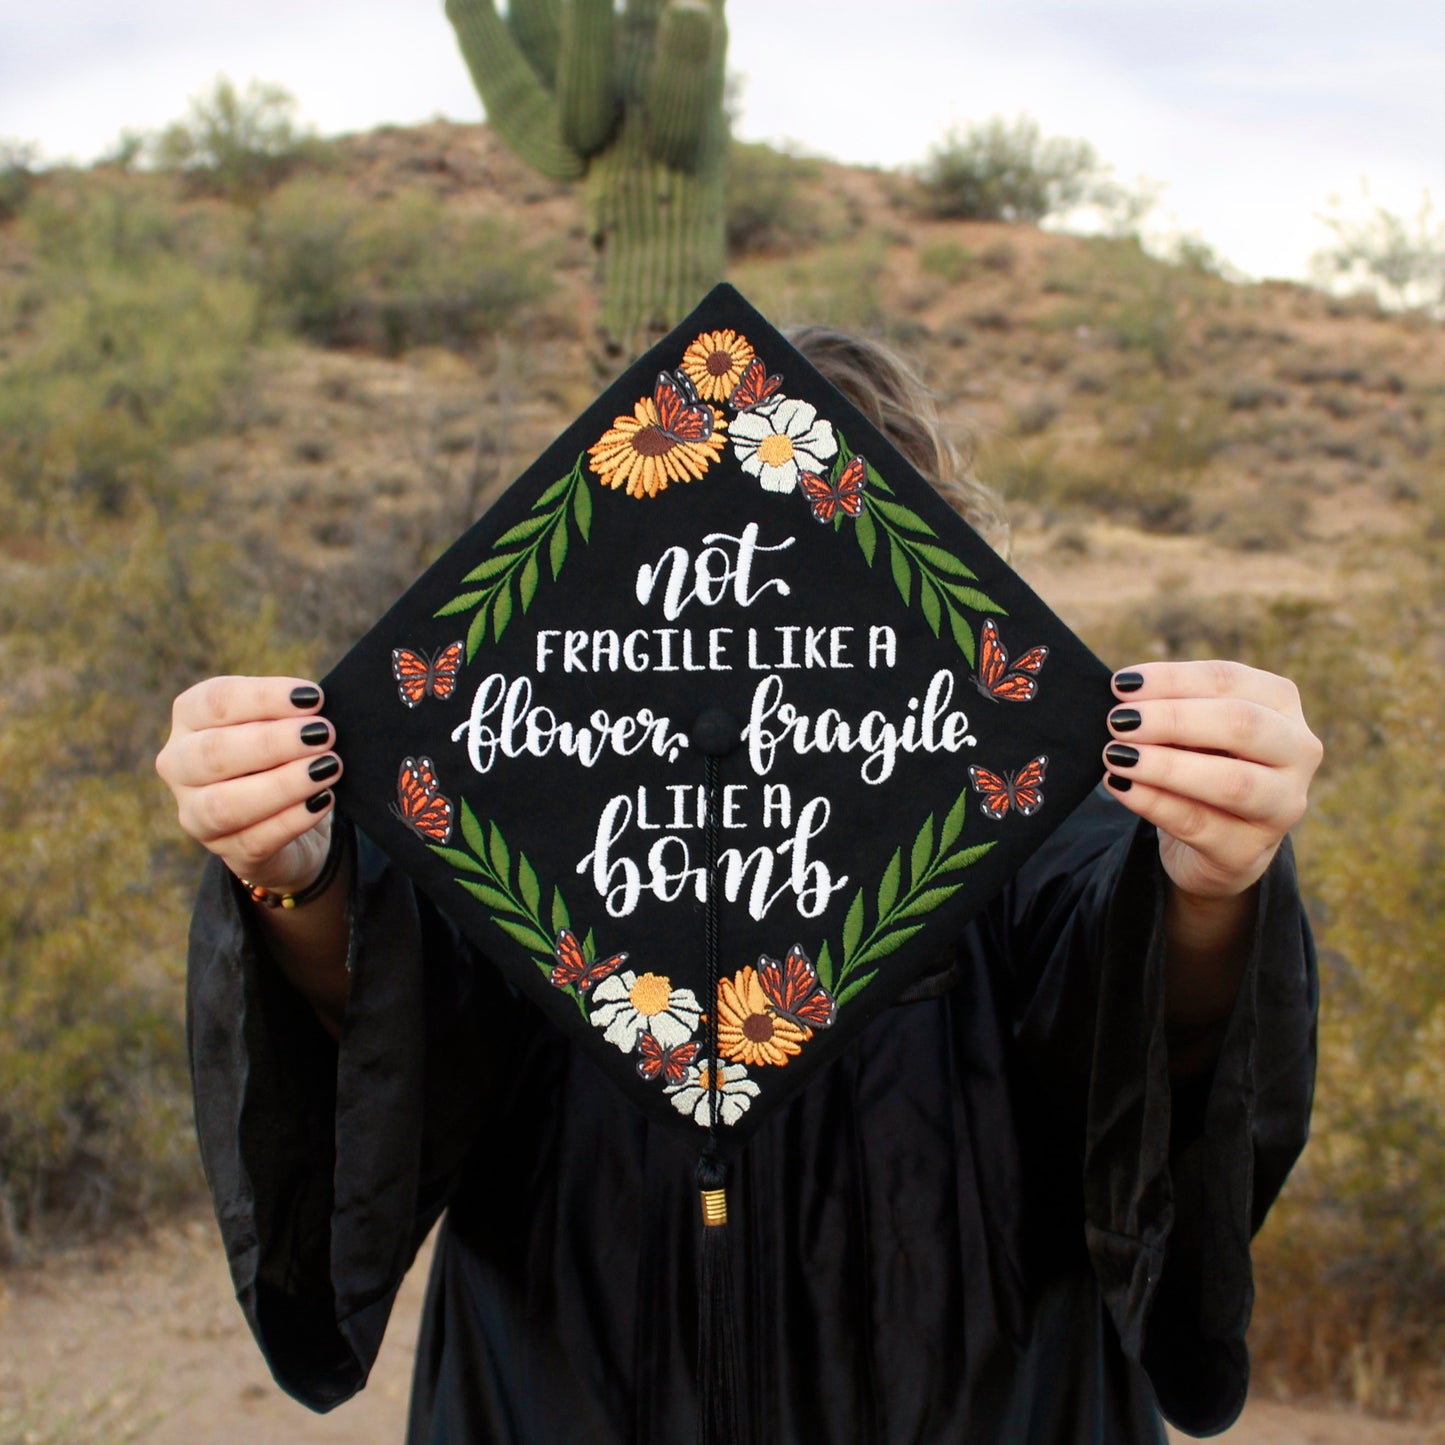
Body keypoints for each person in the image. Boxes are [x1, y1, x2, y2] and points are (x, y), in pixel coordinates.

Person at [156, 328, 1321, 1444]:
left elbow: (1126, 992)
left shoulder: (1023, 798)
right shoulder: (528, 788)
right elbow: (403, 1017)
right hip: (566, 1385)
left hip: (984, 1392)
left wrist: (1211, 880)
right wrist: (292, 874)